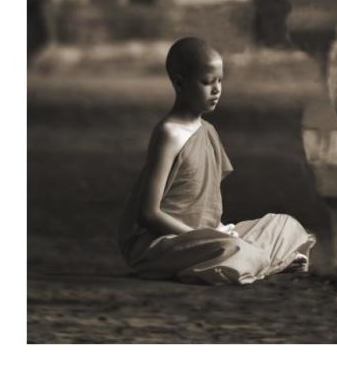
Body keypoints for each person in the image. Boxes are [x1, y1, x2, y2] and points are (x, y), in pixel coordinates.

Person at [117, 37, 315, 284]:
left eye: (220, 81)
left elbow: (207, 206)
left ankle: (255, 261)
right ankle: (265, 262)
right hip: (166, 242)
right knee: (234, 250)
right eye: (207, 82)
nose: (217, 90)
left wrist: (221, 231)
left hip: (210, 238)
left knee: (286, 225)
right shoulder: (169, 133)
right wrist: (201, 238)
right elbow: (148, 214)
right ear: (179, 83)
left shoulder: (208, 131)